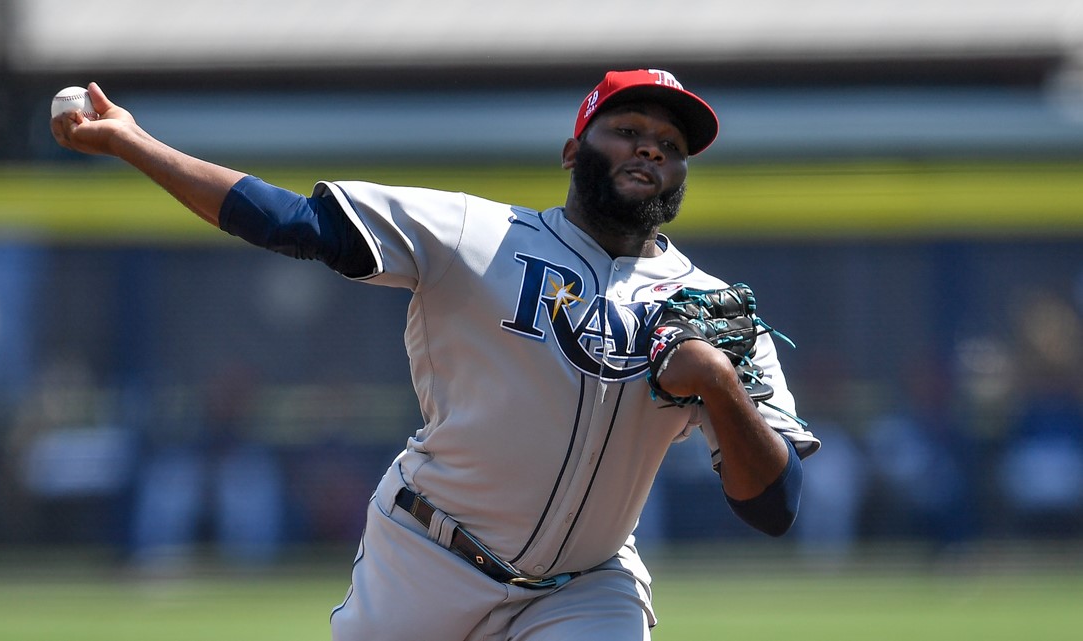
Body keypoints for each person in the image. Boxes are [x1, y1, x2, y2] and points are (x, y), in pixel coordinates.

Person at [52, 68, 820, 641]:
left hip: (584, 587)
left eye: (671, 145)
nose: (650, 147)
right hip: (426, 558)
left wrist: (718, 384)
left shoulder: (713, 312)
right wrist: (134, 142)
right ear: (571, 149)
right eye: (627, 129)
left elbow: (774, 507)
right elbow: (293, 222)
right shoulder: (475, 234)